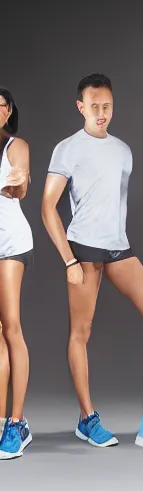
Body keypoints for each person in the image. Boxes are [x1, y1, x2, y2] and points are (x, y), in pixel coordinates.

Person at [40, 74, 143, 451]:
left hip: (118, 247)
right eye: (94, 107)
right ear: (81, 107)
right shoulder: (67, 149)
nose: (102, 113)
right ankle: (88, 419)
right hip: (82, 248)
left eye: (107, 106)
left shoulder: (123, 150)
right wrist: (68, 260)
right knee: (81, 333)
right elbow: (47, 208)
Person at [0, 87, 33, 460]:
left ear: (8, 111)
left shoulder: (15, 145)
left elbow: (19, 186)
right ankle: (2, 419)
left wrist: (17, 182)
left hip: (11, 243)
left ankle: (17, 422)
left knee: (11, 327)